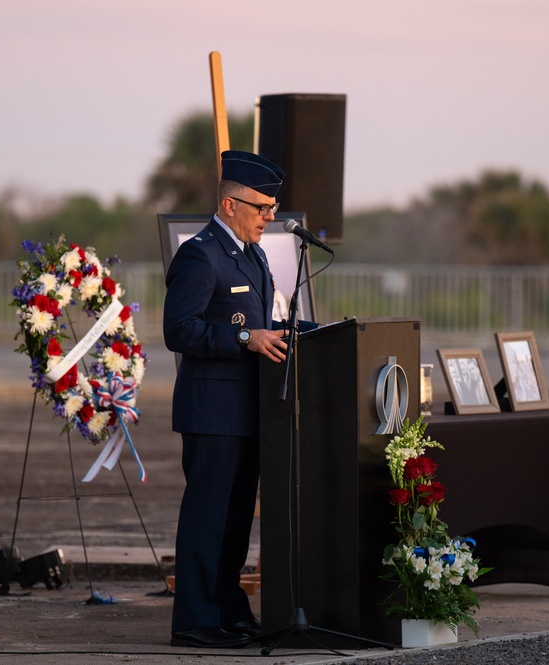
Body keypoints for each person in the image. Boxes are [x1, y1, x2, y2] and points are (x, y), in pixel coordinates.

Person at [164, 150, 315, 648]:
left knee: (233, 524)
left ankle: (228, 609)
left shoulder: (254, 254)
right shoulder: (199, 254)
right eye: (261, 209)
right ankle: (194, 620)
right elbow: (179, 330)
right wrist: (245, 339)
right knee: (207, 519)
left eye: (272, 209)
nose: (269, 218)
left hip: (250, 411)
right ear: (230, 204)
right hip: (212, 413)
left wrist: (303, 334)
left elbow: (264, 323)